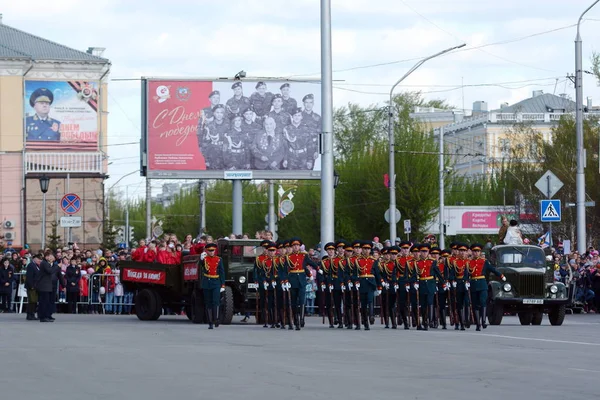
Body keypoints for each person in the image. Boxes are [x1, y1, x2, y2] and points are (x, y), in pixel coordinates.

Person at [286, 237, 318, 330]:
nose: (296, 247)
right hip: (292, 280)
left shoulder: (304, 256)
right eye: (294, 245)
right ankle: (295, 320)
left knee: (302, 300)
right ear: (292, 247)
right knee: (293, 302)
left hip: (302, 280)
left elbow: (310, 263)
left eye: (297, 245)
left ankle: (302, 319)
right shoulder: (288, 257)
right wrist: (285, 280)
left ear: (300, 246)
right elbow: (284, 270)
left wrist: (318, 269)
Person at [354, 241, 382, 331]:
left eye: (368, 249)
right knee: (363, 303)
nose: (366, 251)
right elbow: (355, 274)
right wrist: (356, 281)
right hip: (362, 283)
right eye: (365, 249)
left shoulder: (373, 261)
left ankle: (371, 315)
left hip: (371, 283)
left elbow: (377, 274)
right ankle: (365, 322)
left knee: (370, 300)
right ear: (362, 249)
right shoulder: (358, 261)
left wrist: (379, 286)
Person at [202, 243, 225, 329]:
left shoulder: (219, 259)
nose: (211, 252)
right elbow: (203, 268)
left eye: (213, 251)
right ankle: (210, 322)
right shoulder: (204, 259)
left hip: (216, 282)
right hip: (207, 282)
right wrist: (201, 260)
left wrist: (222, 285)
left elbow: (222, 272)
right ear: (207, 251)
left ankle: (216, 319)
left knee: (216, 301)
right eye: (210, 251)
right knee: (208, 302)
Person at [201, 104, 229, 170]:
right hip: (213, 153)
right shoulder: (209, 126)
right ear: (214, 113)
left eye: (221, 113)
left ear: (223, 114)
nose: (219, 115)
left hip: (226, 154)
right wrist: (206, 160)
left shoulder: (228, 125)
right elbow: (205, 144)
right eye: (217, 112)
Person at [36, 251, 59, 322]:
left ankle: (46, 315)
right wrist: (57, 266)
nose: (51, 258)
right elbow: (50, 271)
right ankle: (43, 317)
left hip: (47, 286)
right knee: (44, 302)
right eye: (50, 256)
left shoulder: (46, 263)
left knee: (46, 301)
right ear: (47, 256)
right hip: (44, 285)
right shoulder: (44, 263)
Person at [301, 93, 321, 163]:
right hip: (298, 150)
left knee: (309, 172)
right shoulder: (298, 116)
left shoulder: (317, 118)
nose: (308, 105)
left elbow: (319, 136)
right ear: (303, 103)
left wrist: (317, 150)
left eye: (310, 102)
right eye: (306, 102)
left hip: (311, 151)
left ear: (313, 104)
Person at [25, 254, 42, 320]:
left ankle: (32, 314)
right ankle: (30, 314)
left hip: (36, 286)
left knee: (34, 301)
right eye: (38, 259)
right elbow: (29, 277)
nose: (39, 260)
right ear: (34, 259)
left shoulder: (37, 266)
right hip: (31, 286)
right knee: (32, 301)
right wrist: (31, 286)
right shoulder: (31, 265)